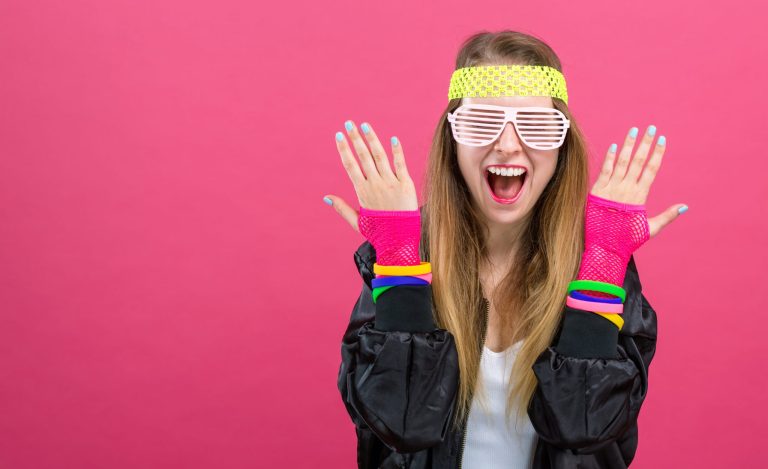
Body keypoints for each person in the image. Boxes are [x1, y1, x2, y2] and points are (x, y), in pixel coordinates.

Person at [324, 30, 686, 469]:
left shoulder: (598, 264)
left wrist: (602, 265)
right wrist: (400, 271)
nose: (509, 145)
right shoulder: (403, 257)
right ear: (452, 142)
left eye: (536, 125)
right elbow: (400, 425)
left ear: (562, 146)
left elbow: (586, 431)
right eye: (481, 124)